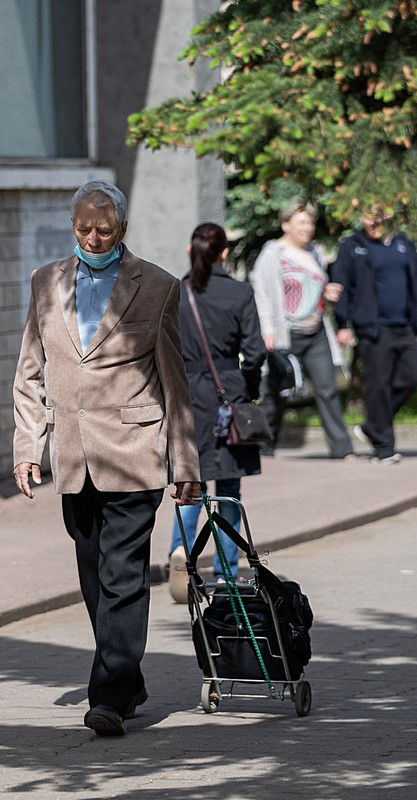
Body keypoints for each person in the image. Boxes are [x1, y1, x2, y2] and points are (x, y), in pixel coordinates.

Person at [12, 180, 202, 736]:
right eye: (83, 228)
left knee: (122, 574)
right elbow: (29, 371)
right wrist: (28, 447)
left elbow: (176, 384)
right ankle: (129, 676)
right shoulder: (46, 282)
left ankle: (110, 696)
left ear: (123, 228)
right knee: (95, 574)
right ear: (73, 224)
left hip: (134, 452)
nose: (93, 238)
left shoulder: (158, 287)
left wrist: (185, 464)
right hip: (72, 455)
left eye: (104, 229)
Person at [167, 223, 267, 603]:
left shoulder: (176, 292)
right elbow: (256, 353)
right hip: (229, 394)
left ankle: (182, 552)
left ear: (191, 252)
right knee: (228, 488)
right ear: (224, 253)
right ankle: (227, 571)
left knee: (190, 481)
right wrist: (248, 386)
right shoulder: (239, 293)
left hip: (187, 395)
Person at [330, 205, 417, 463]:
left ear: (389, 215)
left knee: (410, 379)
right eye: (367, 216)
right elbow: (339, 283)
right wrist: (342, 323)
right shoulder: (352, 246)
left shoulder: (403, 243)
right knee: (378, 386)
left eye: (378, 215)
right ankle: (384, 448)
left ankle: (372, 427)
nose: (372, 221)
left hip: (404, 325)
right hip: (373, 329)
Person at [251, 200, 354, 459]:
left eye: (310, 222)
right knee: (276, 393)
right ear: (286, 224)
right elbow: (262, 294)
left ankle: (342, 450)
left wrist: (328, 292)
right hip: (285, 333)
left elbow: (315, 286)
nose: (307, 228)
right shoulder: (273, 253)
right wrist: (267, 329)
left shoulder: (315, 252)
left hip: (316, 332)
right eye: (301, 222)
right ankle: (264, 448)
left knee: (327, 389)